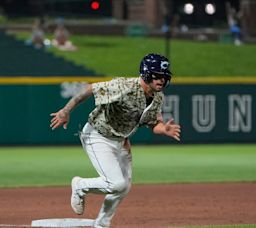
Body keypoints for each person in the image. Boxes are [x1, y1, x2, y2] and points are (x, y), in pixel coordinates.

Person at [50, 53, 181, 228]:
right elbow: (90, 89)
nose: (161, 80)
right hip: (98, 135)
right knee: (116, 184)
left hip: (121, 141)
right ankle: (80, 185)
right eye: (157, 75)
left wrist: (163, 129)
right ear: (147, 73)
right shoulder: (125, 85)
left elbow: (153, 124)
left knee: (124, 187)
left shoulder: (158, 97)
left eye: (164, 76)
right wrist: (66, 111)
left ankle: (102, 224)